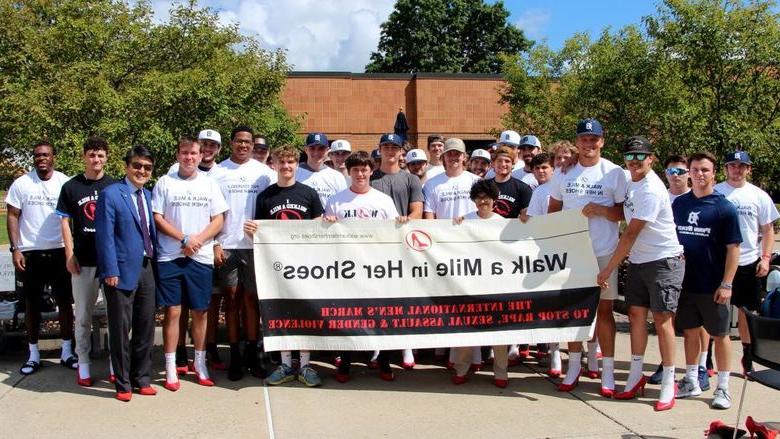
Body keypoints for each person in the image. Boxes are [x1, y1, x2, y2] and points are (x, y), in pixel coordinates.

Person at [595, 136, 683, 410]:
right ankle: (635, 375)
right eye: (630, 156)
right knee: (635, 315)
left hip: (663, 260)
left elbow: (630, 234)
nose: (634, 161)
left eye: (640, 157)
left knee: (662, 320)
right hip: (639, 262)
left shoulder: (651, 189)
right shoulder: (630, 179)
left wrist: (609, 268)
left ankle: (669, 381)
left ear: (651, 159)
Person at [548, 118, 626, 395]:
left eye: (594, 139)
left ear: (602, 141)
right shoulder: (564, 173)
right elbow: (553, 210)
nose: (589, 144)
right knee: (574, 313)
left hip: (604, 252)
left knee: (604, 312)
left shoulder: (615, 173)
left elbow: (624, 213)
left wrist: (602, 211)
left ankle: (606, 371)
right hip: (572, 254)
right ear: (577, 142)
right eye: (584, 139)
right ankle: (574, 367)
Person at [244, 146, 325, 387]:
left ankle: (306, 364)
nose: (287, 166)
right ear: (274, 164)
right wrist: (251, 233)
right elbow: (258, 235)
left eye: (291, 162)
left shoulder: (309, 194)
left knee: (305, 312)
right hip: (278, 266)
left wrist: (326, 223)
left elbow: (318, 228)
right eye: (282, 162)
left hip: (304, 264)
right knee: (282, 313)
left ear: (297, 164)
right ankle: (286, 364)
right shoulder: (266, 196)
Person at [152, 136, 228, 391]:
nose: (189, 157)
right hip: (171, 255)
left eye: (194, 153)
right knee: (173, 311)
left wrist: (197, 240)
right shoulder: (165, 182)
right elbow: (158, 218)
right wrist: (183, 238)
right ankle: (171, 366)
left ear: (200, 156)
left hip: (200, 256)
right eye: (184, 153)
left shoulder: (209, 184)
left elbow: (218, 219)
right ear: (178, 155)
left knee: (201, 311)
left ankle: (200, 362)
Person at [325, 151, 404, 383]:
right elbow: (326, 236)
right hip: (347, 268)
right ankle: (346, 362)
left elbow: (394, 232)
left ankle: (384, 360)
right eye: (355, 170)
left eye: (364, 169)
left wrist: (401, 223)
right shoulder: (336, 200)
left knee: (381, 317)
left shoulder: (383, 200)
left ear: (371, 171)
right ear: (349, 172)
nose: (360, 174)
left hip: (377, 268)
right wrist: (326, 223)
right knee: (349, 317)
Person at [672, 152, 741, 410]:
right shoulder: (680, 205)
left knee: (720, 335)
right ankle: (691, 379)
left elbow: (734, 249)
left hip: (713, 286)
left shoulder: (724, 208)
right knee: (690, 333)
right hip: (685, 283)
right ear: (688, 173)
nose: (700, 174)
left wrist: (727, 284)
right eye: (695, 170)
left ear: (714, 174)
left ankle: (723, 387)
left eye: (705, 170)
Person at [95, 146, 158, 401]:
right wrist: (110, 269)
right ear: (126, 167)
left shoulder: (148, 195)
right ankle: (123, 384)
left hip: (147, 268)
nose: (141, 170)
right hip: (119, 272)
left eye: (147, 167)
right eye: (137, 165)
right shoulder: (111, 194)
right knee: (121, 329)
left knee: (146, 326)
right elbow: (104, 236)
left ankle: (141, 378)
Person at [213, 125, 276, 381]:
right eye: (239, 141)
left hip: (255, 247)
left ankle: (254, 353)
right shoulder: (218, 172)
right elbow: (213, 212)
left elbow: (273, 207)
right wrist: (216, 242)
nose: (243, 146)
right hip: (228, 245)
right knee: (232, 301)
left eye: (248, 142)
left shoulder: (264, 173)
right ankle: (236, 357)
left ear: (253, 145)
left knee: (252, 301)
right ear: (231, 144)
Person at [6, 140, 72, 377]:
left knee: (65, 302)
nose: (41, 158)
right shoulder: (21, 184)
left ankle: (67, 351)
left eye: (45, 154)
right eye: (37, 155)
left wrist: (71, 250)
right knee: (31, 305)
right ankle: (33, 354)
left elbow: (70, 218)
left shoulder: (64, 182)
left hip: (59, 251)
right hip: (30, 253)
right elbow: (13, 216)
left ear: (53, 156)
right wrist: (16, 248)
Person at [56, 137, 117, 386]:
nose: (96, 160)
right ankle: (83, 363)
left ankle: (117, 363)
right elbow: (64, 223)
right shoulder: (71, 187)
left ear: (107, 157)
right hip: (83, 261)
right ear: (84, 157)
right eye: (92, 155)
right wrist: (69, 254)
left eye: (101, 155)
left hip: (110, 261)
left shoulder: (115, 186)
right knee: (82, 315)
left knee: (117, 316)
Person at [714, 151, 779, 376]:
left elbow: (768, 229)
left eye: (742, 166)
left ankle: (748, 358)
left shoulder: (758, 196)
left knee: (746, 312)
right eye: (732, 165)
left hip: (749, 262)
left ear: (748, 169)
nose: (737, 169)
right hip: (719, 263)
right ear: (725, 168)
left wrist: (766, 257)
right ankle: (709, 360)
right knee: (715, 311)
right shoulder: (716, 192)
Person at [169, 129, 227, 374]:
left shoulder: (222, 174)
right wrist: (184, 239)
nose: (208, 149)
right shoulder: (173, 171)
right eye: (205, 143)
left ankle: (208, 348)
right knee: (179, 305)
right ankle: (180, 350)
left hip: (209, 248)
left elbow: (222, 214)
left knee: (207, 304)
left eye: (212, 145)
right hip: (178, 249)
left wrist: (213, 242)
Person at [423, 138, 482, 368]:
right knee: (449, 302)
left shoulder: (476, 180)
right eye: (450, 154)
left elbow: (485, 211)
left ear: (464, 157)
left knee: (472, 302)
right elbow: (429, 219)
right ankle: (452, 352)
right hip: (444, 249)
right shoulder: (433, 183)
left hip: (472, 248)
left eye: (458, 154)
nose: (454, 157)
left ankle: (475, 353)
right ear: (443, 157)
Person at [370, 133, 424, 370]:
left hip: (403, 245)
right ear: (380, 149)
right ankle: (378, 346)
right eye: (386, 147)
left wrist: (406, 221)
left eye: (395, 147)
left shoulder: (411, 179)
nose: (390, 151)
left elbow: (417, 211)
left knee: (403, 297)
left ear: (401, 151)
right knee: (377, 298)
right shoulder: (371, 178)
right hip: (376, 247)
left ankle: (406, 346)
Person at [451, 179, 510, 387]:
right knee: (467, 330)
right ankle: (461, 369)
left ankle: (501, 372)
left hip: (497, 285)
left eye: (487, 197)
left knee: (500, 333)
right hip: (471, 284)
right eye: (478, 197)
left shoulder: (504, 223)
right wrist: (454, 226)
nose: (483, 201)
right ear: (474, 200)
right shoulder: (464, 221)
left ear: (494, 199)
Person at [296, 132, 348, 209]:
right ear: (306, 149)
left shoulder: (337, 177)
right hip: (301, 220)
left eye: (321, 148)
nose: (316, 152)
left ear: (327, 150)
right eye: (312, 148)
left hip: (327, 220)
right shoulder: (294, 173)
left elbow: (343, 205)